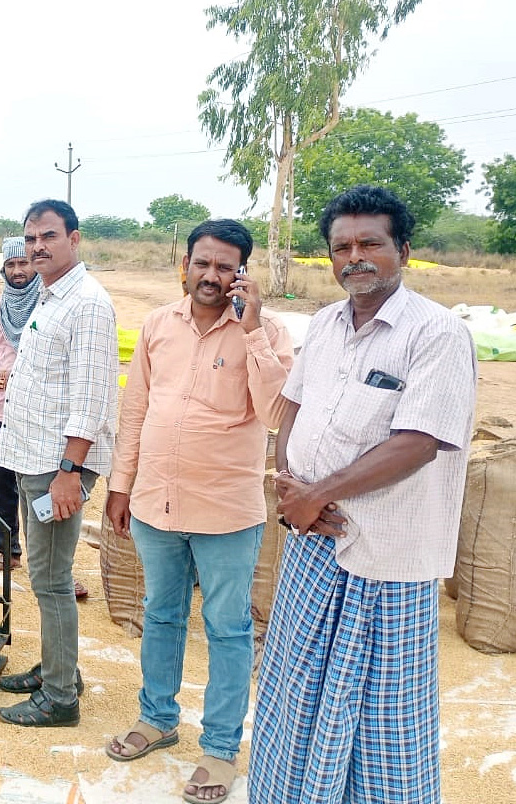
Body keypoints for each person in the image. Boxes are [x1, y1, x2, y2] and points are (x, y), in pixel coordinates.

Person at [249, 186, 477, 804]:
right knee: (293, 696)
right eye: (342, 246)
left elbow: (419, 441)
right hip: (312, 547)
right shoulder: (324, 324)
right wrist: (292, 486)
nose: (356, 256)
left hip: (384, 561)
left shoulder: (436, 334)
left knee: (381, 725)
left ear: (401, 250)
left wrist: (316, 494)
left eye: (370, 243)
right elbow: (291, 408)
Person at [104, 220, 294, 804]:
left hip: (226, 510)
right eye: (202, 264)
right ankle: (157, 720)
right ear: (183, 264)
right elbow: (135, 406)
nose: (211, 276)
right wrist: (120, 483)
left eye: (225, 267)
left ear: (242, 272)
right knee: (159, 615)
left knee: (229, 628)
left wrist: (255, 328)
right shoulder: (159, 324)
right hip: (155, 502)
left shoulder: (270, 332)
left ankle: (219, 750)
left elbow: (277, 412)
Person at [0, 199, 118, 727]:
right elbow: (47, 376)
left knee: (51, 579)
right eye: (31, 239)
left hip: (58, 463)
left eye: (49, 236)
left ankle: (59, 698)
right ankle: (60, 669)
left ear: (74, 239)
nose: (38, 247)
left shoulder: (88, 304)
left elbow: (93, 397)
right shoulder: (50, 299)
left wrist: (69, 472)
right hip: (36, 456)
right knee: (44, 572)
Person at [0, 236, 40, 572]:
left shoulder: (47, 305)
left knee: (37, 486)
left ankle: (52, 565)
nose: (17, 271)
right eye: (10, 265)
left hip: (34, 410)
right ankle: (8, 552)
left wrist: (2, 376)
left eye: (23, 263)